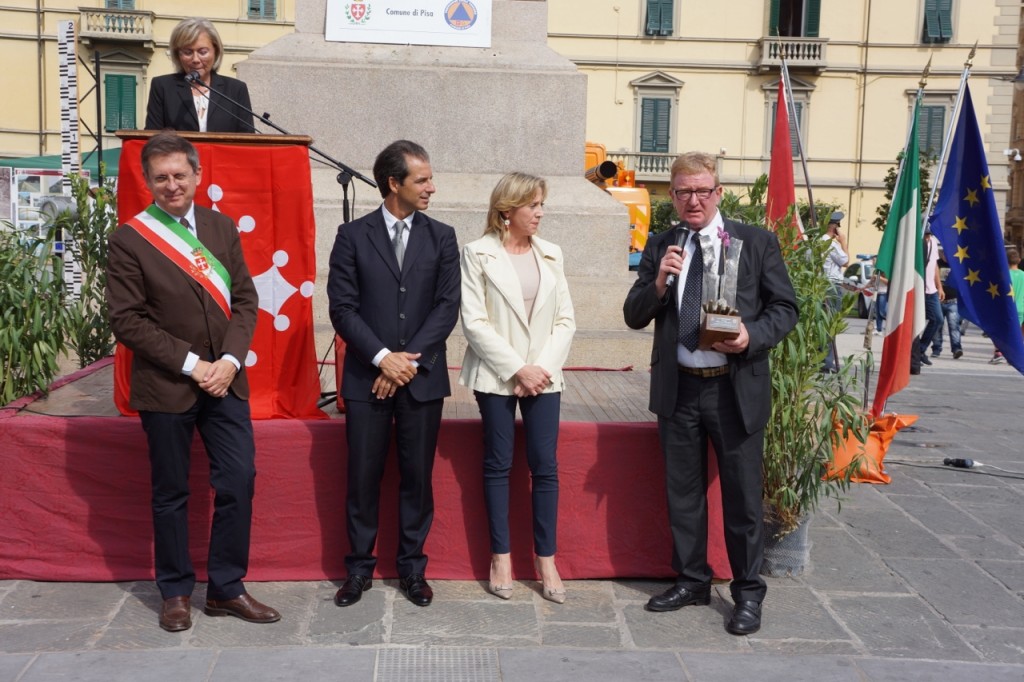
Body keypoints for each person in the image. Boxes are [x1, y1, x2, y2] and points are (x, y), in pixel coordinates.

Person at [106, 132, 279, 632]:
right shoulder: (130, 239)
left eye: (180, 174)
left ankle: (226, 588)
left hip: (226, 380)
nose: (172, 185)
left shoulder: (221, 227)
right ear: (147, 181)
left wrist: (230, 360)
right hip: (168, 385)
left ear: (198, 175)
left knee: (239, 479)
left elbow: (245, 300)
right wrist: (193, 365)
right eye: (161, 177)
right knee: (171, 492)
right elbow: (128, 321)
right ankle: (176, 592)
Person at [623, 151, 798, 636]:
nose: (693, 200)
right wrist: (660, 283)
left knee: (743, 499)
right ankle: (692, 580)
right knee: (683, 495)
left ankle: (748, 592)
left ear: (719, 193)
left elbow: (785, 308)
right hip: (679, 390)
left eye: (702, 191)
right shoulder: (661, 244)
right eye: (683, 192)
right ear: (672, 196)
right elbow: (634, 314)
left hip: (733, 389)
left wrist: (751, 335)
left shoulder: (755, 242)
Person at [327, 140, 461, 608]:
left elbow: (447, 307)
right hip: (367, 379)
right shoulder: (352, 236)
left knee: (417, 478)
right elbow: (343, 308)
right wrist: (383, 357)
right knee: (362, 477)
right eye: (422, 180)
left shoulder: (442, 237)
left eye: (430, 179)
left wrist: (406, 362)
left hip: (421, 380)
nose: (431, 187)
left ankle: (412, 569)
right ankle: (358, 570)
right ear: (393, 183)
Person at [459, 173, 576, 604]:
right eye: (533, 205)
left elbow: (565, 319)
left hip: (544, 375)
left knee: (545, 465)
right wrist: (517, 369)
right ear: (507, 210)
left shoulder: (551, 253)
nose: (540, 213)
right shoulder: (477, 253)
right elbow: (474, 322)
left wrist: (539, 369)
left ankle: (546, 560)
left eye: (542, 204)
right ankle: (501, 558)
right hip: (497, 375)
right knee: (498, 463)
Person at [145, 18, 255, 133]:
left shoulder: (236, 89)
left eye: (203, 52)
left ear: (216, 51)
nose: (195, 60)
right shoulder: (162, 86)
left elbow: (248, 137)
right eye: (187, 52)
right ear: (178, 55)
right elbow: (152, 135)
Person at [821, 211, 849, 372]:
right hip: (832, 286)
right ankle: (827, 362)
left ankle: (821, 360)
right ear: (835, 227)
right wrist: (843, 242)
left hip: (821, 285)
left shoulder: (817, 242)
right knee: (830, 324)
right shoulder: (831, 244)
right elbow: (846, 261)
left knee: (822, 323)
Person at [915, 231, 944, 367]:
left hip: (931, 290)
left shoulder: (933, 242)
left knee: (938, 319)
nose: (928, 236)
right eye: (926, 234)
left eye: (929, 234)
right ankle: (914, 354)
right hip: (918, 288)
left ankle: (920, 349)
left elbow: (935, 265)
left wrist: (939, 286)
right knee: (915, 322)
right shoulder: (917, 242)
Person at [992, 248, 1024, 364]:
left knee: (1001, 331)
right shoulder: (1023, 275)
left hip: (1005, 307)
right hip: (1020, 308)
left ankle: (999, 353)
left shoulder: (1003, 275)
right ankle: (1015, 355)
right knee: (1016, 332)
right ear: (1019, 260)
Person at [932, 250, 963, 359]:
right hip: (938, 300)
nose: (946, 255)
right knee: (937, 325)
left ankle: (956, 348)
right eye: (944, 253)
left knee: (954, 325)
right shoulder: (936, 264)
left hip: (953, 301)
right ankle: (936, 348)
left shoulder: (957, 264)